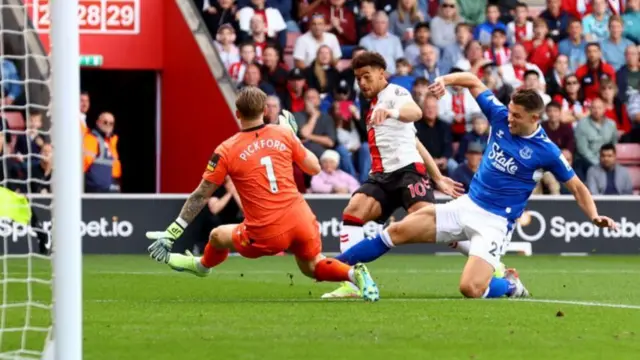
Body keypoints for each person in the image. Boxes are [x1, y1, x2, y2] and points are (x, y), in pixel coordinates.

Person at [335, 71, 617, 299]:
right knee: (395, 231)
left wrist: (593, 215)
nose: (509, 118)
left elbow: (578, 187)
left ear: (534, 119)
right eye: (509, 111)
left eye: (517, 116)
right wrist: (445, 81)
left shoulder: (547, 151)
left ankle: (510, 285)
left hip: (495, 223)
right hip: (466, 205)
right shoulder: (499, 116)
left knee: (470, 289)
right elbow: (472, 80)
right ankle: (331, 266)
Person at [145, 87, 380, 302]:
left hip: (267, 230)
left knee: (217, 236)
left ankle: (202, 266)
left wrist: (172, 231)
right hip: (301, 217)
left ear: (238, 114)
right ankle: (353, 273)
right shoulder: (283, 134)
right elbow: (314, 168)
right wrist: (294, 136)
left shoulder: (226, 149)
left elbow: (200, 196)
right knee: (312, 265)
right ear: (266, 111)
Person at [321, 52, 464, 299]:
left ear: (381, 73)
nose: (362, 83)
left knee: (434, 227)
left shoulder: (395, 94)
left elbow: (414, 112)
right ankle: (353, 283)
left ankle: (491, 264)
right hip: (381, 176)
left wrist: (392, 113)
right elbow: (415, 141)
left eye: (367, 76)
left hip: (408, 173)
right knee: (353, 211)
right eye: (358, 78)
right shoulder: (372, 103)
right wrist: (438, 177)